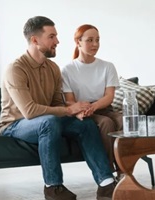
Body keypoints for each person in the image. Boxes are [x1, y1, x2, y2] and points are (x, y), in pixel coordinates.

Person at [0, 16, 116, 200]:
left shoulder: (52, 68)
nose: (57, 41)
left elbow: (57, 104)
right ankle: (53, 187)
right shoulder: (15, 69)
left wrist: (75, 113)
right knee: (49, 122)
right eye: (51, 37)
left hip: (47, 120)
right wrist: (68, 110)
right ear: (35, 40)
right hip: (16, 124)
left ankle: (106, 183)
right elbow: (29, 111)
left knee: (86, 124)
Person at [61, 24, 123, 175]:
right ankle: (108, 171)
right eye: (90, 40)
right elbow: (69, 100)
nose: (95, 44)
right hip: (83, 110)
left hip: (103, 107)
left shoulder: (107, 67)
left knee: (125, 121)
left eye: (97, 40)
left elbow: (109, 96)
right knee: (106, 123)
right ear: (78, 42)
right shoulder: (68, 69)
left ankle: (124, 170)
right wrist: (83, 110)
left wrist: (94, 107)